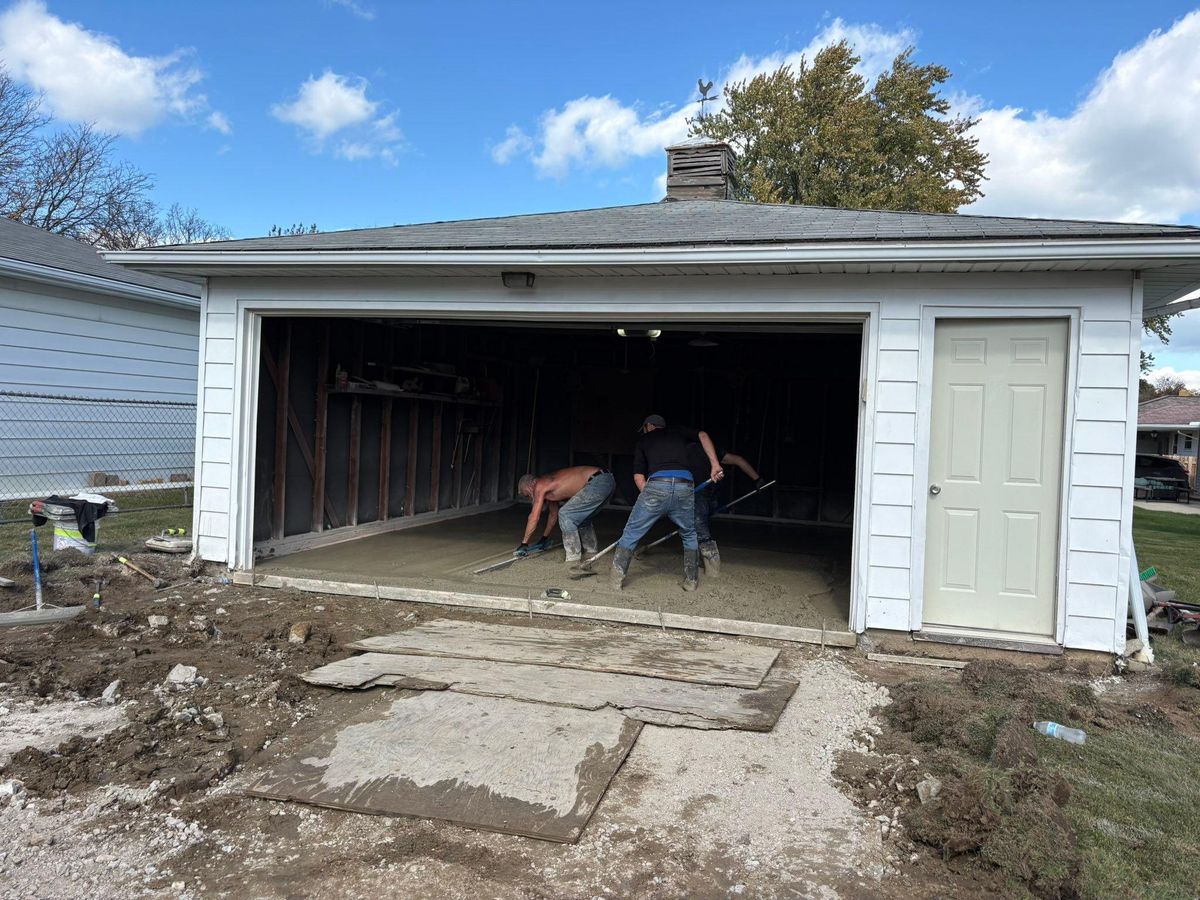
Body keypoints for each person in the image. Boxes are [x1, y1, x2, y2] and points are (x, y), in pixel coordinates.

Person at [611, 414, 723, 592]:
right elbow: (702, 435)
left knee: (632, 531)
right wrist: (715, 465)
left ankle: (616, 581)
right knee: (689, 533)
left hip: (658, 483)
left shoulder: (643, 441)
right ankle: (691, 581)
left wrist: (651, 501)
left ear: (649, 426)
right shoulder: (678, 432)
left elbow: (639, 477)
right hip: (685, 484)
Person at [685, 440, 763, 578]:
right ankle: (699, 558)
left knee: (699, 527)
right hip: (710, 495)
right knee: (696, 525)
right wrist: (757, 479)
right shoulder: (712, 450)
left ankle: (712, 567)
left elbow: (738, 460)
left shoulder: (685, 449)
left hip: (700, 494)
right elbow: (738, 460)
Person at [515, 465, 616, 566]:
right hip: (607, 480)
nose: (530, 499)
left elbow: (534, 517)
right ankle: (591, 551)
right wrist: (544, 539)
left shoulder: (539, 485)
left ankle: (573, 559)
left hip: (598, 481)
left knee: (566, 514)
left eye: (527, 495)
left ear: (530, 485)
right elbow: (553, 515)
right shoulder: (549, 488)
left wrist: (524, 543)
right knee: (582, 518)